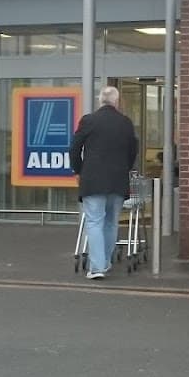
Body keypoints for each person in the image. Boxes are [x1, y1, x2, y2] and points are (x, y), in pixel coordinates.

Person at [69, 86, 139, 280]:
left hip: (93, 180)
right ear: (117, 102)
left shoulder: (89, 120)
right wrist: (124, 168)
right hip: (118, 180)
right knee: (110, 223)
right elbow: (133, 150)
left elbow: (74, 149)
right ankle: (105, 263)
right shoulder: (126, 123)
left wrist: (79, 170)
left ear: (101, 101)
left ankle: (98, 267)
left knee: (94, 221)